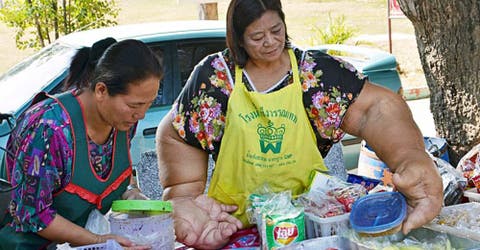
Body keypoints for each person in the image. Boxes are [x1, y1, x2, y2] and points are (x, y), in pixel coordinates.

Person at [155, 0, 443, 248]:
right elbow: (178, 132)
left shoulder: (314, 73)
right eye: (257, 36)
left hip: (311, 226)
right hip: (229, 227)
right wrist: (184, 198)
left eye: (276, 31)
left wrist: (410, 157)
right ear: (238, 39)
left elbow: (376, 109)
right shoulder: (216, 77)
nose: (269, 42)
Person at [0, 37, 163, 249]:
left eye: (149, 104)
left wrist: (133, 195)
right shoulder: (49, 129)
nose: (141, 115)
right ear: (101, 90)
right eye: (135, 105)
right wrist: (98, 241)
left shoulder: (122, 122)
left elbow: (118, 175)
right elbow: (33, 214)